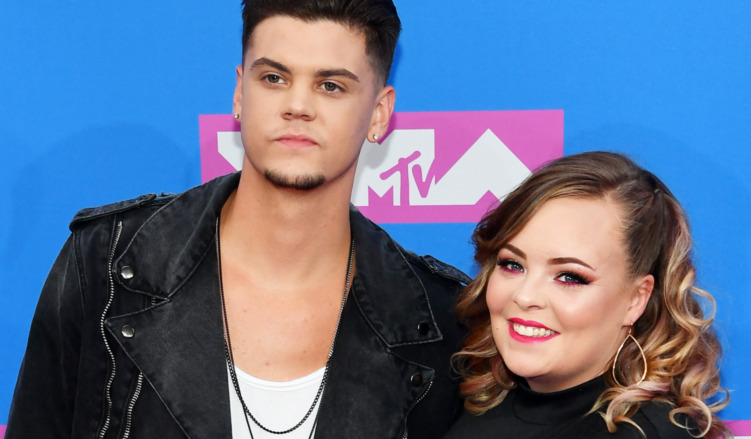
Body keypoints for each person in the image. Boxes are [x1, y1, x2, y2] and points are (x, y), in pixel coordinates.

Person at [6, 1, 470, 438]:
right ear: (239, 92)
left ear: (380, 113)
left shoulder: (438, 317)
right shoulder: (107, 265)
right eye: (273, 78)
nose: (298, 106)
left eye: (331, 86)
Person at [444, 151, 731, 439]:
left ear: (636, 299)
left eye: (570, 277)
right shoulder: (470, 402)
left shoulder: (647, 434)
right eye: (512, 264)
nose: (525, 295)